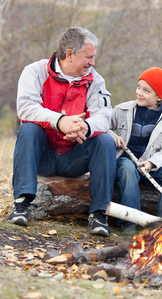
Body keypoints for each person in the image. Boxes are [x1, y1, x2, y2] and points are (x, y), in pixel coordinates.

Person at [8, 26, 116, 237]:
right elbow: (26, 108)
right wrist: (60, 121)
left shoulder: (96, 80)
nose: (93, 63)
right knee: (28, 129)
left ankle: (99, 214)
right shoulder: (35, 71)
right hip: (43, 156)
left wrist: (85, 126)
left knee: (105, 141)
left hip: (74, 157)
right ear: (69, 55)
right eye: (89, 57)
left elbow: (104, 116)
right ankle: (21, 204)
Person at [108, 67, 162, 233]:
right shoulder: (123, 110)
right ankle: (130, 222)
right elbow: (103, 126)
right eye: (138, 87)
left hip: (151, 167)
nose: (139, 93)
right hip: (126, 162)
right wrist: (112, 136)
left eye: (146, 91)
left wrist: (151, 163)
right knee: (127, 167)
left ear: (158, 97)